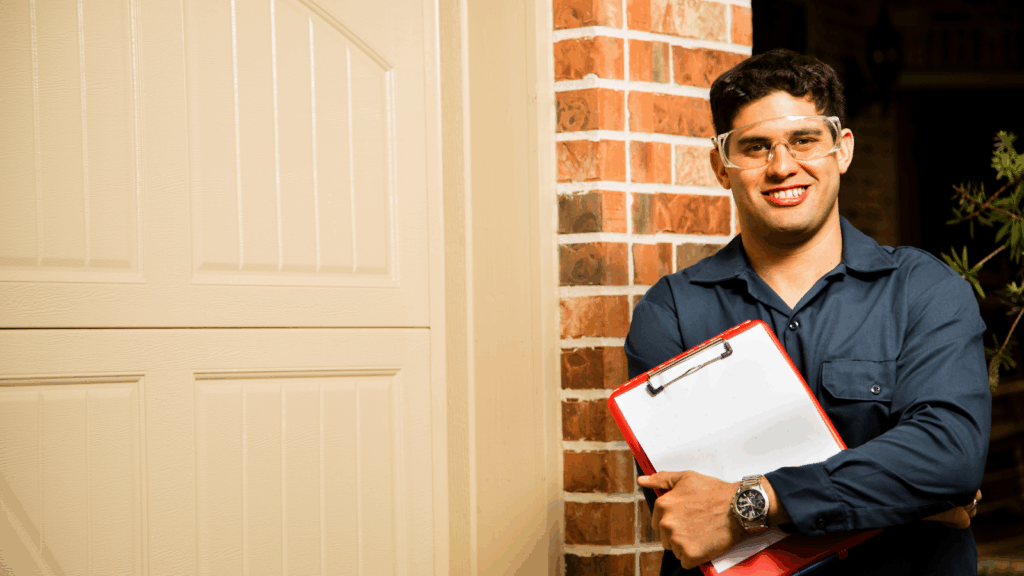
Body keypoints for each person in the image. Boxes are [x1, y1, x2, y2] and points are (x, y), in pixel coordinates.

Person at [625, 48, 991, 575]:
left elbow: (948, 457)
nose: (781, 166)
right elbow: (689, 516)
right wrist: (926, 506)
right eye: (755, 147)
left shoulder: (925, 291)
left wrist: (755, 501)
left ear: (841, 149)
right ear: (720, 167)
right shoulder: (673, 313)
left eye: (804, 140)